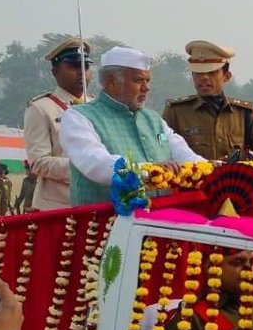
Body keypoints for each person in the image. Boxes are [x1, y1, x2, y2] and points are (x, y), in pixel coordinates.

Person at [60, 47, 205, 206]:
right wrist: (147, 170)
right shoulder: (79, 117)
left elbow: (183, 154)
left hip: (159, 222)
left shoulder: (152, 118)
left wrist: (213, 168)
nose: (146, 88)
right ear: (111, 82)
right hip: (106, 224)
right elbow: (97, 164)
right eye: (138, 80)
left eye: (147, 81)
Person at [160, 40, 253, 163]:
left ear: (226, 76)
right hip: (194, 187)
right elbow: (161, 150)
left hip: (237, 186)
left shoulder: (244, 113)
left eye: (211, 73)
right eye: (198, 73)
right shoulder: (176, 112)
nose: (204, 78)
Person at [23, 37, 93, 211]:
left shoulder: (97, 107)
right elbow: (38, 162)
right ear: (55, 71)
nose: (81, 73)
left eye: (85, 67)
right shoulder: (41, 108)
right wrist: (85, 167)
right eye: (73, 66)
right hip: (58, 206)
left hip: (96, 202)